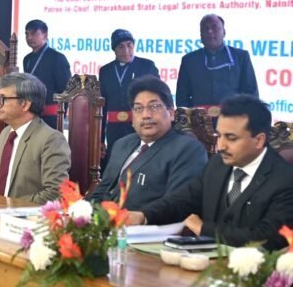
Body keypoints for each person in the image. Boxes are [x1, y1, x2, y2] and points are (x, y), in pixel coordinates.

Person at [129, 95, 293, 250]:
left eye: (231, 138)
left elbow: (267, 238)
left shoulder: (284, 180)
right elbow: (182, 200)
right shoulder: (217, 164)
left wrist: (204, 229)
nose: (221, 146)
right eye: (219, 136)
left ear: (259, 140)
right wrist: (144, 215)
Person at [90, 76, 207, 210]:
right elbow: (102, 190)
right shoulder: (121, 144)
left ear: (171, 113)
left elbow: (178, 203)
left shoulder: (188, 149)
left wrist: (141, 217)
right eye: (138, 108)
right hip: (103, 219)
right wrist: (82, 212)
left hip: (144, 221)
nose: (146, 115)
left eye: (154, 106)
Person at [0, 73, 70, 204]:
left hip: (25, 214)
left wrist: (7, 205)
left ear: (25, 104)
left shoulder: (51, 139)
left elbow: (55, 193)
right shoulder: (5, 133)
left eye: (3, 99)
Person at [176, 14, 259, 116]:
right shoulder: (189, 60)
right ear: (200, 35)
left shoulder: (241, 57)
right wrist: (191, 119)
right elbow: (182, 98)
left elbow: (251, 94)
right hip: (199, 121)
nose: (210, 31)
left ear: (224, 32)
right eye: (205, 28)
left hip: (233, 119)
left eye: (214, 27)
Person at [99, 29, 159, 157]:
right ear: (114, 49)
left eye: (129, 45)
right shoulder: (105, 71)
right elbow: (102, 107)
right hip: (114, 131)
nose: (126, 51)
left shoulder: (147, 66)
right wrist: (99, 139)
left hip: (141, 127)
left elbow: (158, 98)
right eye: (121, 47)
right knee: (116, 161)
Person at [22, 19, 71, 129]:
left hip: (51, 116)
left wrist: (61, 117)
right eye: (27, 34)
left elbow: (66, 90)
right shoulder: (27, 59)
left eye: (34, 33)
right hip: (31, 114)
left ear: (45, 35)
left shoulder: (57, 58)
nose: (29, 37)